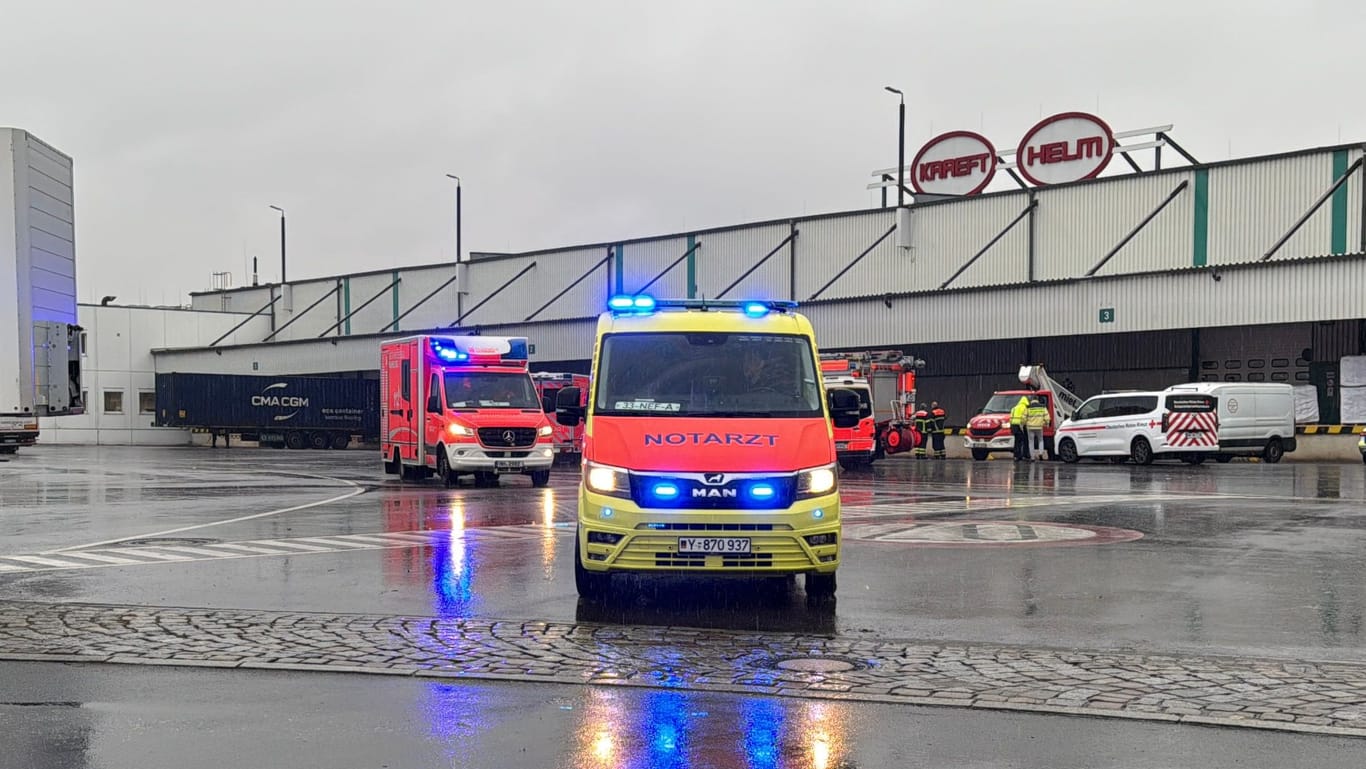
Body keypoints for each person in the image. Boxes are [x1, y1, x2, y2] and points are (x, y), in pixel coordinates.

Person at [1025, 396, 1049, 461]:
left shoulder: (1028, 407)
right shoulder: (1042, 407)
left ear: (1032, 400)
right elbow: (1047, 416)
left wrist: (1023, 423)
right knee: (1041, 440)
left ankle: (1032, 457)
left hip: (1030, 427)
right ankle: (1040, 453)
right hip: (1039, 426)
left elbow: (1024, 417)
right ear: (1038, 400)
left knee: (1031, 442)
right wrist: (1047, 423)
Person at [1010, 396, 1030, 461]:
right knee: (1023, 441)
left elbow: (1011, 418)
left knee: (1016, 441)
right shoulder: (1025, 408)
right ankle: (1022, 455)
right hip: (1020, 426)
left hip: (1013, 425)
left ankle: (1016, 455)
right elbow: (1025, 418)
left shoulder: (1014, 408)